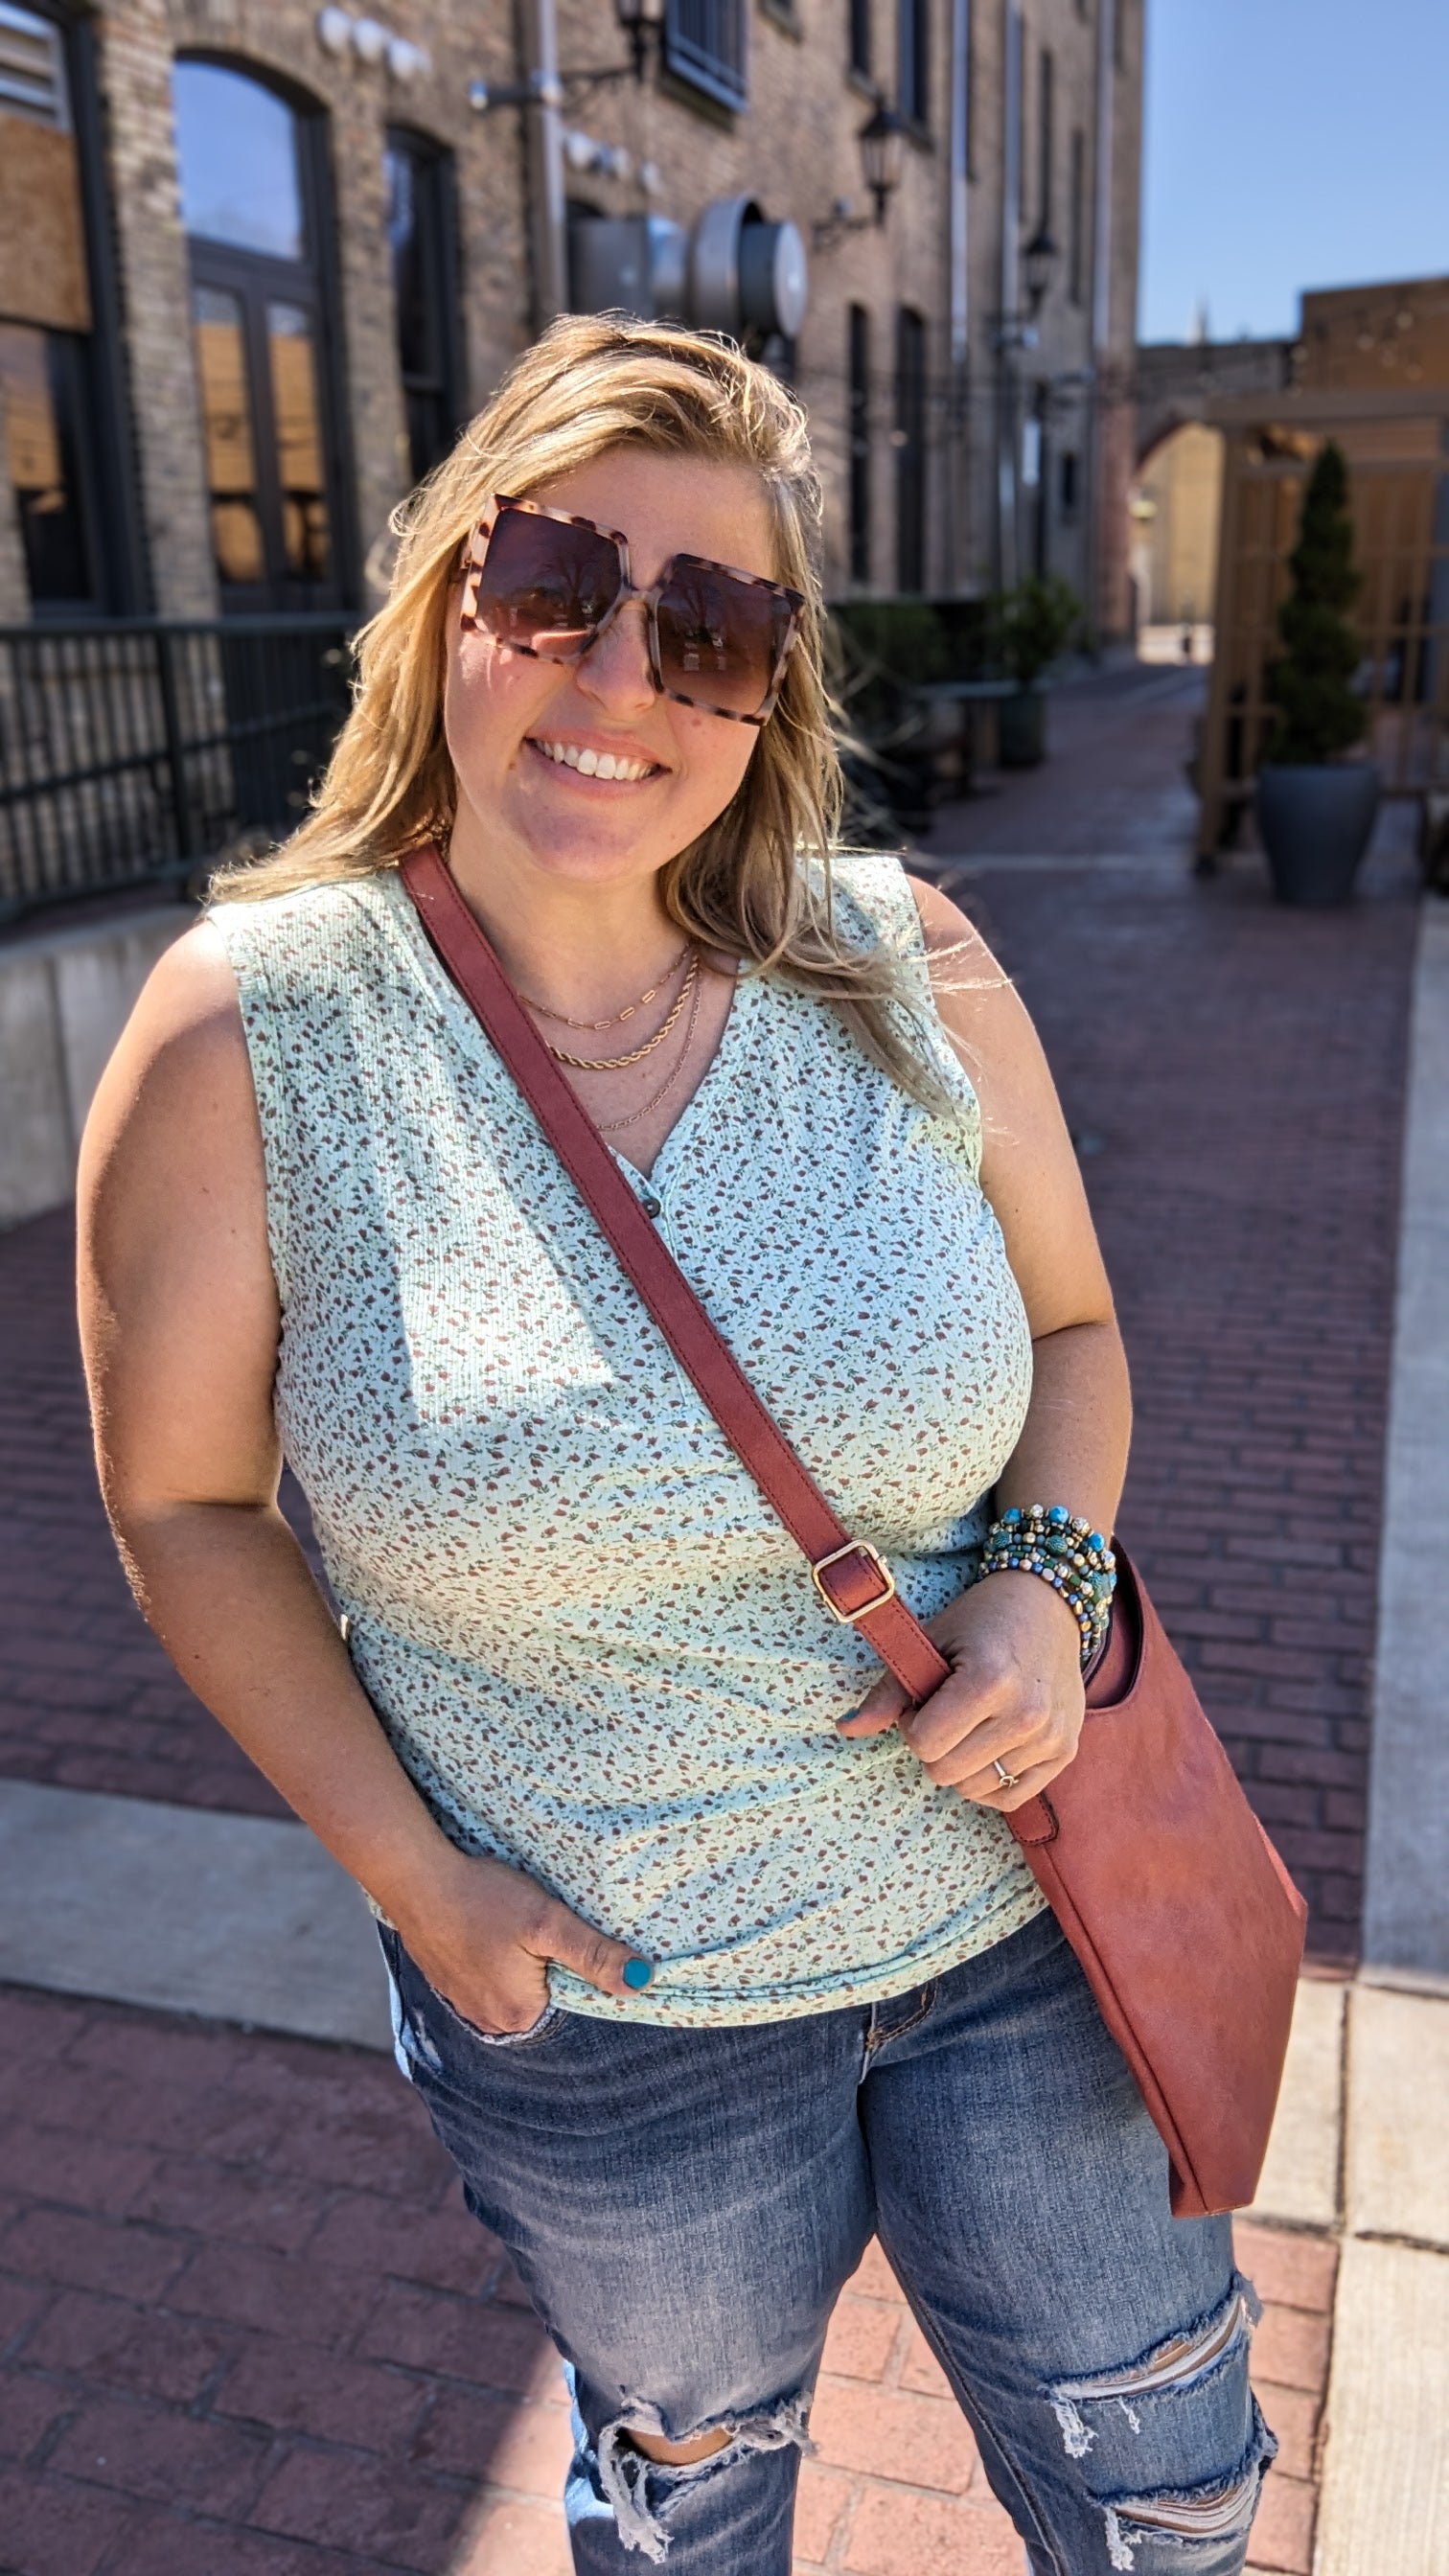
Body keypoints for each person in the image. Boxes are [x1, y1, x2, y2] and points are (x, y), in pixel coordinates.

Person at [79, 316, 1276, 2574]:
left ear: (769, 688)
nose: (624, 677)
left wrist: (1046, 1579)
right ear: (452, 595)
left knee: (1169, 2485)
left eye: (712, 629)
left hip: (1033, 1925)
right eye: (558, 585)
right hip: (620, 2012)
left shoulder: (904, 952)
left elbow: (1078, 1327)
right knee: (694, 2498)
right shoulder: (259, 1026)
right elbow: (183, 1499)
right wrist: (414, 1884)